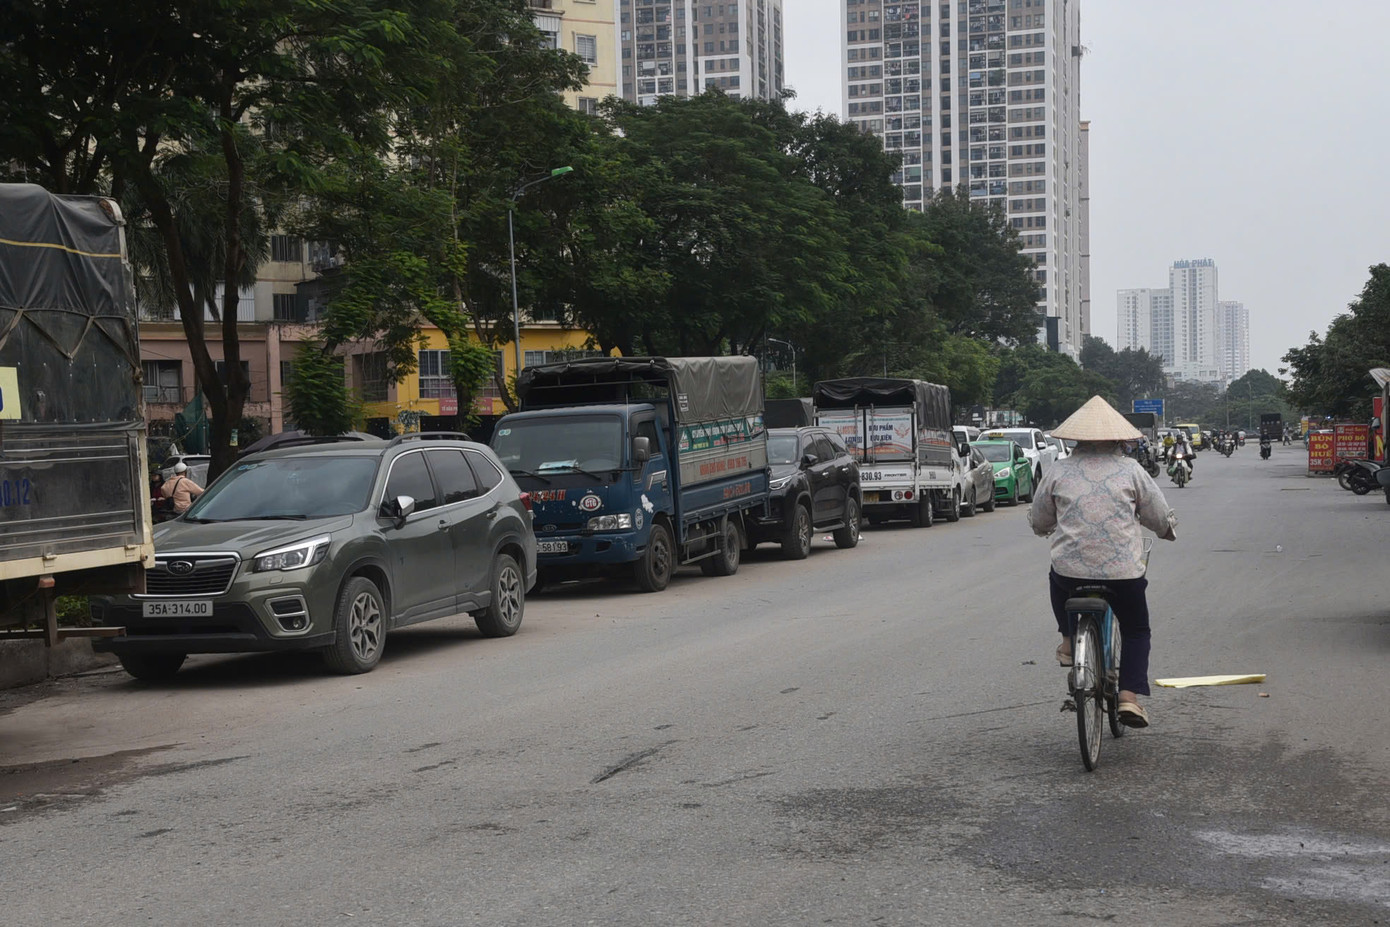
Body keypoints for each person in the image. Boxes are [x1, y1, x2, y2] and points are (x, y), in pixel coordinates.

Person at [1028, 396, 1178, 728]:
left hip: (1071, 574)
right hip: (1122, 575)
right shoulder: (1132, 470)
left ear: (1075, 439)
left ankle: (1068, 640)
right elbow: (1156, 514)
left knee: (1056, 577)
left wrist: (1045, 528)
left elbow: (1040, 519)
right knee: (1137, 629)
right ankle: (1128, 698)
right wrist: (1166, 530)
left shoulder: (1058, 471)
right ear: (1118, 439)